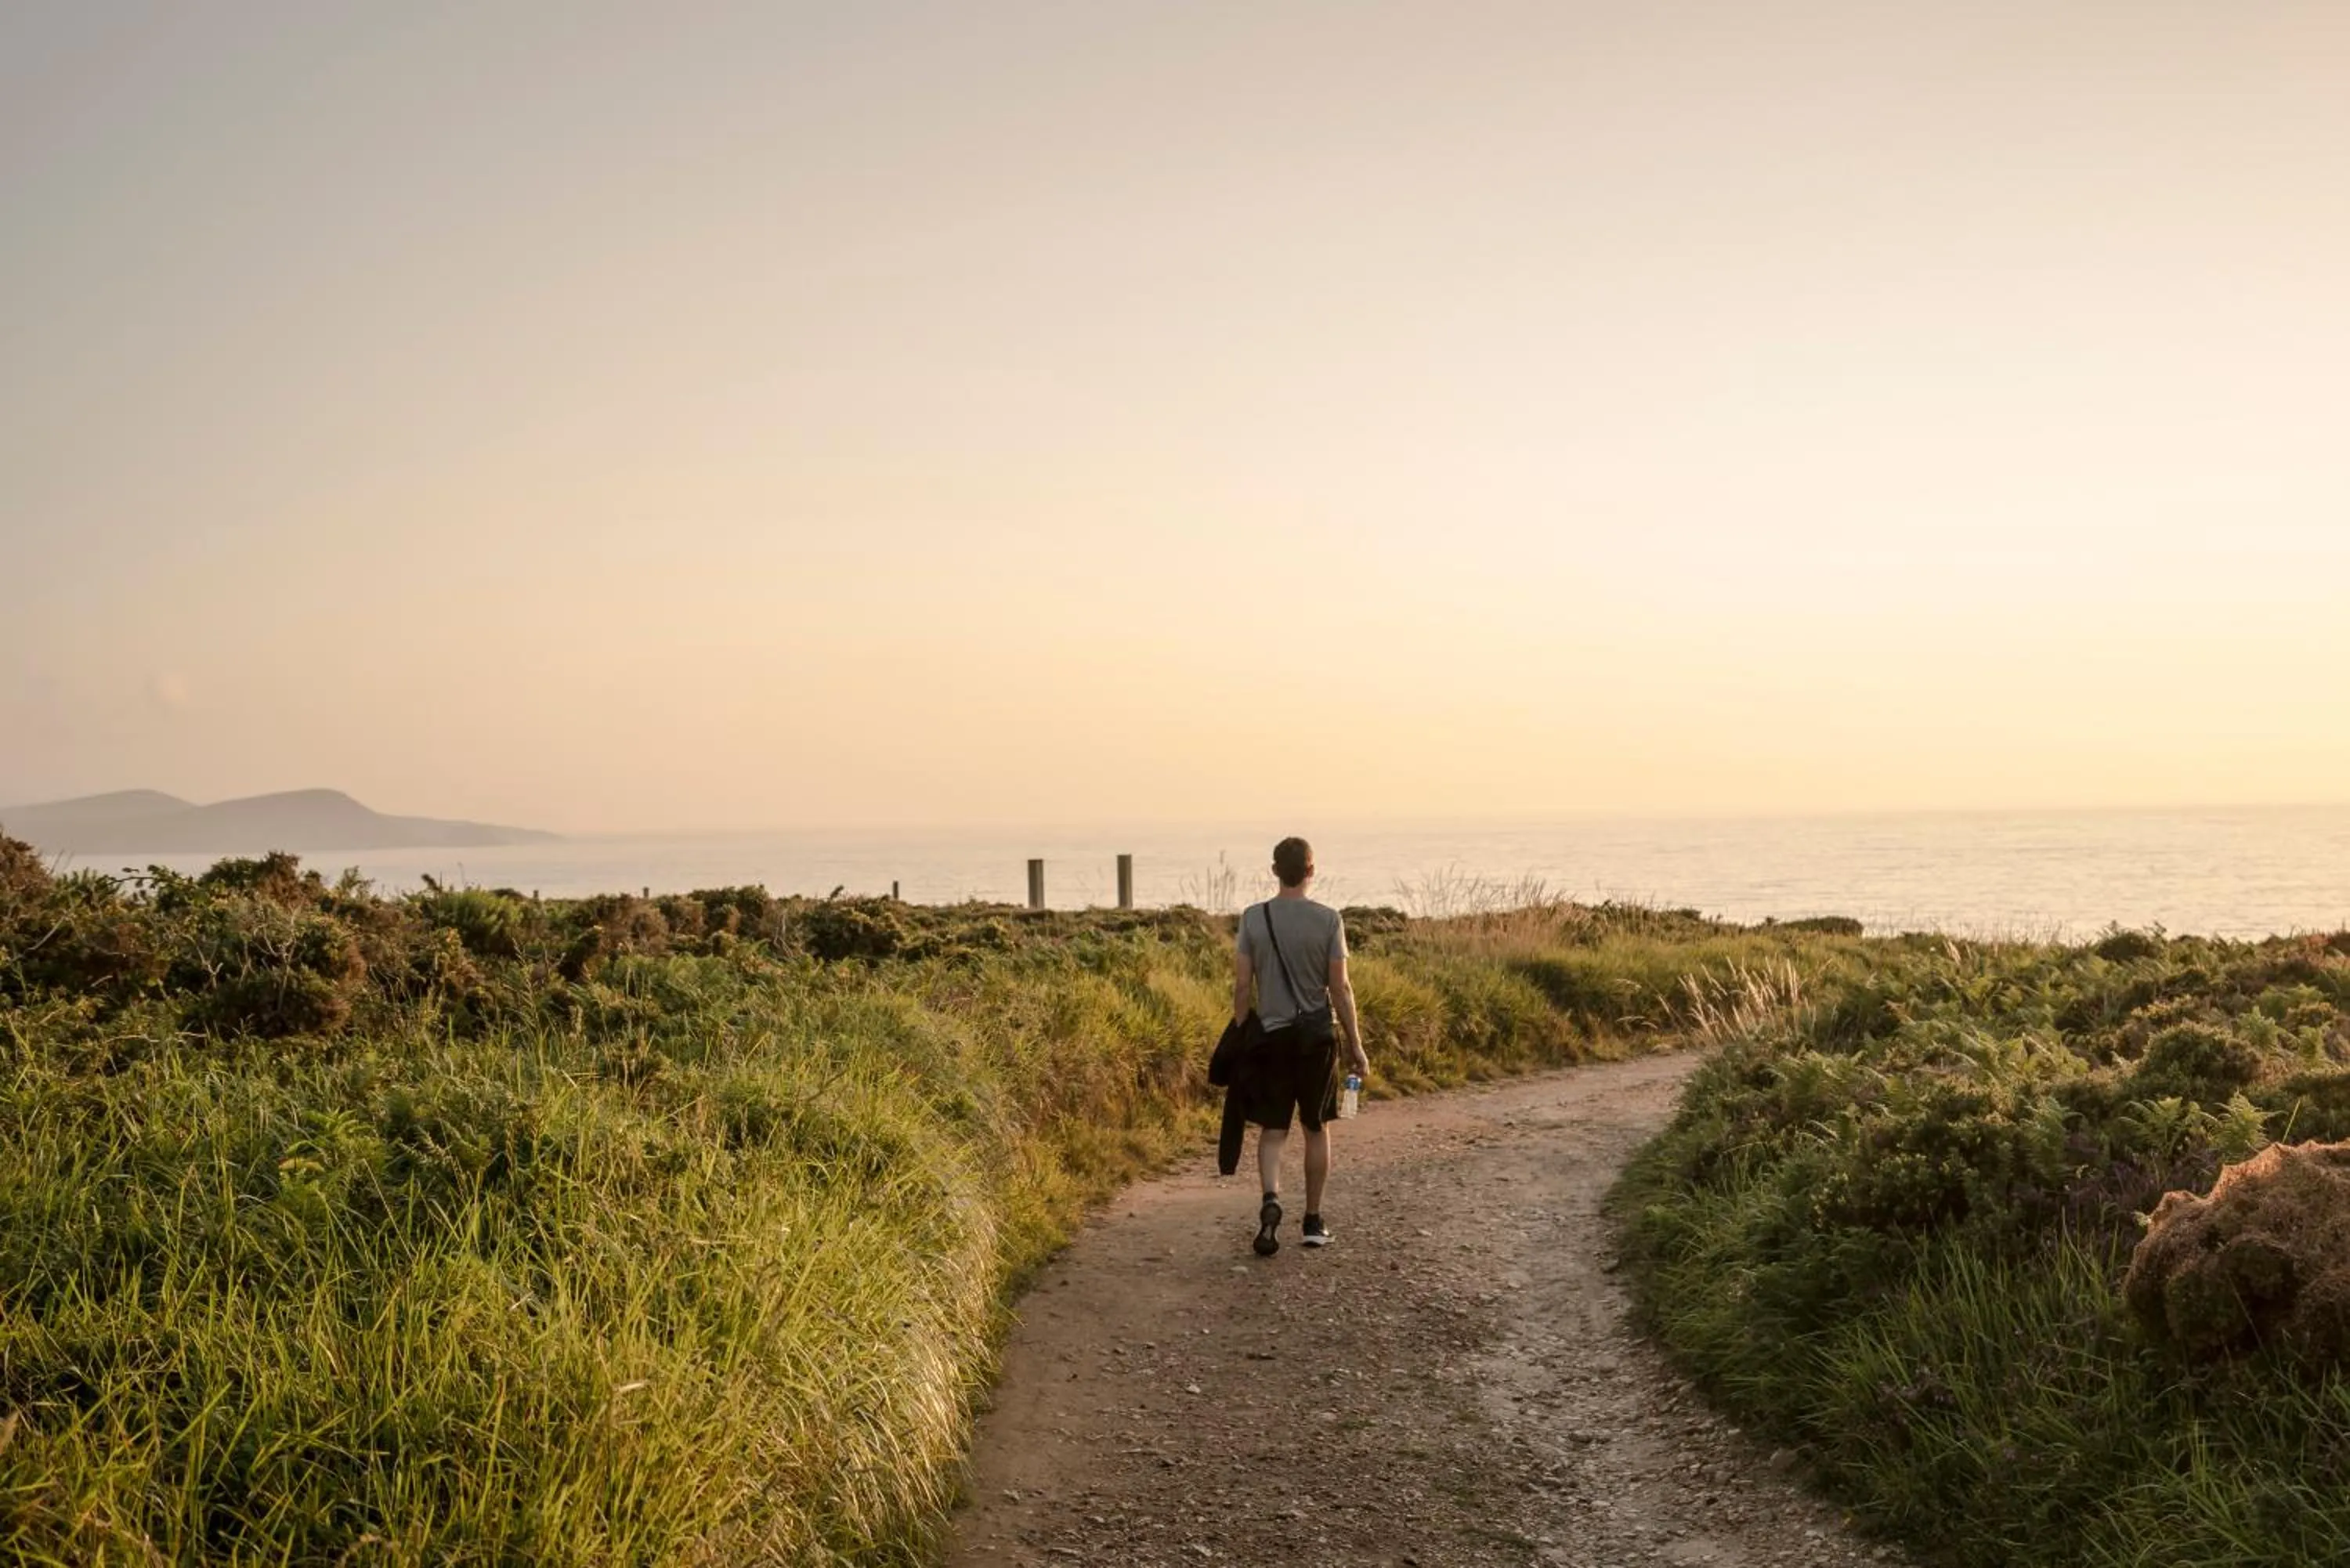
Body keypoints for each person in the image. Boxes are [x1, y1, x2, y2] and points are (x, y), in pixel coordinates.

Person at [1232, 836, 1368, 1255]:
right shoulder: (1329, 920)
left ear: (1275, 870)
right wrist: (1356, 1046)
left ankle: (1271, 1199)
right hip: (1316, 1038)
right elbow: (1340, 988)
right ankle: (1312, 1221)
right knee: (1316, 1127)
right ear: (1311, 870)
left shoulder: (1253, 918)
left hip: (1272, 1038)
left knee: (1273, 1130)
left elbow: (1242, 986)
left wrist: (1242, 1033)